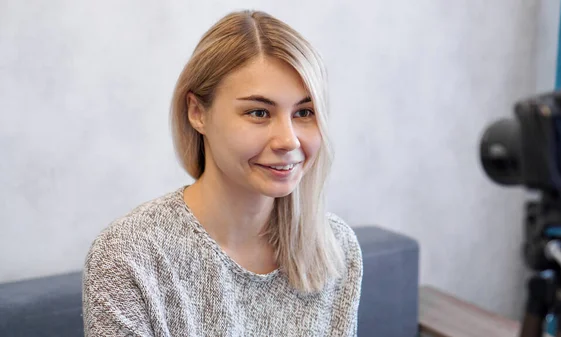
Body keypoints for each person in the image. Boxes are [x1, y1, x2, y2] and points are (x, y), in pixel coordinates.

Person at [82, 9, 363, 337]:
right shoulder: (128, 256)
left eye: (304, 112)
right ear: (197, 112)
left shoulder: (335, 246)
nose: (289, 140)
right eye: (259, 112)